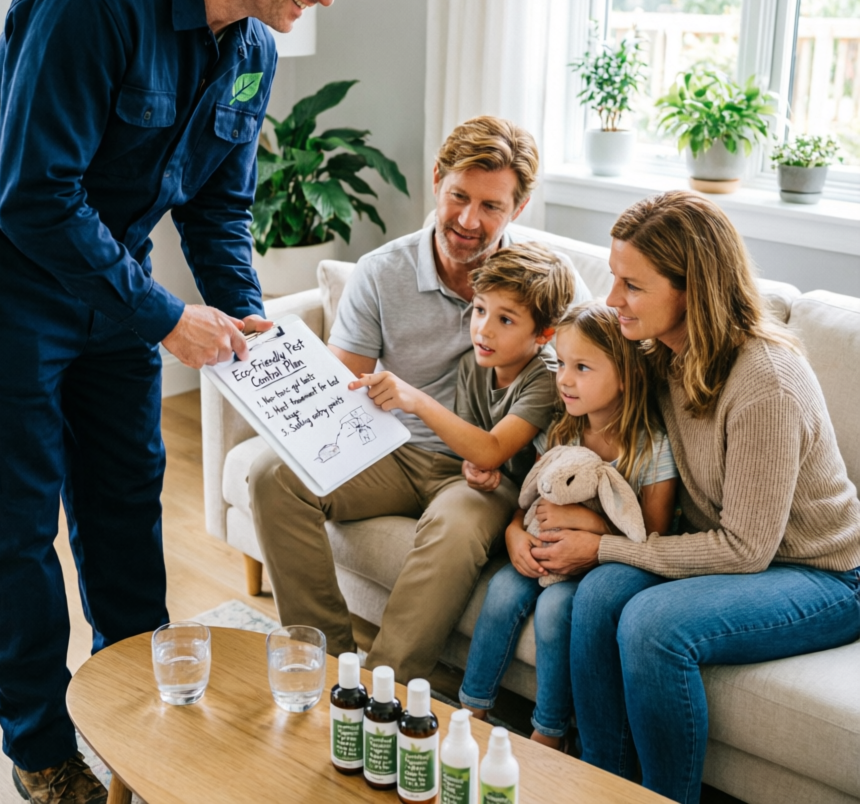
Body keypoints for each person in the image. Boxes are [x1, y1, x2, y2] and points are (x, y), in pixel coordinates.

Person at [0, 0, 376, 804]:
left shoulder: (251, 51)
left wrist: (255, 335)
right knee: (17, 521)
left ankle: (133, 715)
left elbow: (217, 207)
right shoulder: (94, 0)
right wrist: (167, 317)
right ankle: (41, 747)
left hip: (108, 280)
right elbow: (32, 194)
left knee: (125, 499)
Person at [531, 191, 860, 804]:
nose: (612, 298)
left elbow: (744, 549)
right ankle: (601, 786)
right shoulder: (662, 356)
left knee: (654, 625)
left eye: (632, 285)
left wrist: (602, 547)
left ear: (691, 289)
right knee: (600, 597)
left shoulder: (766, 382)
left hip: (823, 574)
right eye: (613, 277)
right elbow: (579, 369)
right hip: (730, 553)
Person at [249, 116, 593, 682]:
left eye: (491, 207)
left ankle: (382, 690)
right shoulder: (381, 273)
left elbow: (589, 381)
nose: (467, 220)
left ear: (519, 209)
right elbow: (337, 390)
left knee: (457, 528)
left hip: (483, 474)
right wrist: (281, 366)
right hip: (390, 449)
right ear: (437, 179)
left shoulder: (547, 283)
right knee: (272, 475)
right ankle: (329, 664)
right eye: (459, 196)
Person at [457, 300, 677, 750]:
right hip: (544, 551)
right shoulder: (562, 429)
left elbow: (653, 538)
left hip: (599, 568)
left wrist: (588, 522)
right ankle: (472, 707)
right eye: (560, 363)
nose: (564, 379)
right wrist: (514, 533)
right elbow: (532, 498)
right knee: (501, 590)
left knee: (557, 608)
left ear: (626, 374)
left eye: (581, 367)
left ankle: (549, 730)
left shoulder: (651, 447)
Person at [348, 241, 573, 488]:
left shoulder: (548, 378)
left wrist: (417, 401)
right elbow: (473, 445)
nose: (484, 330)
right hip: (493, 484)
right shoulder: (471, 364)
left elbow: (492, 450)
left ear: (544, 334)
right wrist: (472, 466)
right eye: (479, 309)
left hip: (531, 495)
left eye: (506, 320)